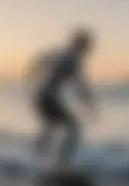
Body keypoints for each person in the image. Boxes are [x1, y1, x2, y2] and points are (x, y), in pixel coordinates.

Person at [25, 27, 97, 170]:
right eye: (87, 45)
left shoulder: (60, 53)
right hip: (47, 97)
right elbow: (79, 84)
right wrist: (89, 104)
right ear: (81, 44)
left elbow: (40, 60)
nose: (89, 49)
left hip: (41, 96)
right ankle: (62, 164)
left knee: (51, 127)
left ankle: (35, 159)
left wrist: (32, 74)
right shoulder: (73, 58)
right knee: (74, 128)